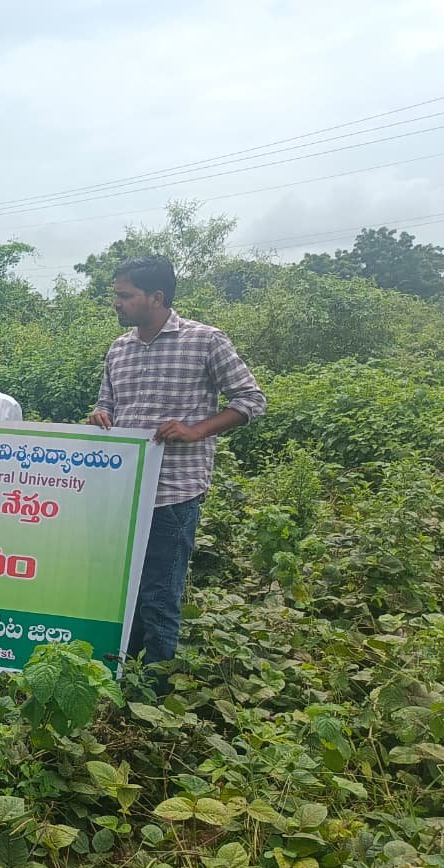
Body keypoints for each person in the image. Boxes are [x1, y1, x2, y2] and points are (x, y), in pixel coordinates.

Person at [87, 255, 266, 667]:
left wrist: (197, 430)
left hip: (173, 493)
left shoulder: (205, 341)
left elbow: (251, 400)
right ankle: (122, 672)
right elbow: (107, 403)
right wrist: (101, 416)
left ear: (156, 297)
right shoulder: (119, 349)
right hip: (124, 494)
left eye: (124, 295)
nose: (116, 303)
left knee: (159, 594)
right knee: (121, 590)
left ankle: (156, 686)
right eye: (116, 295)